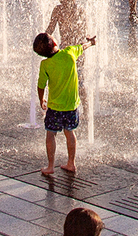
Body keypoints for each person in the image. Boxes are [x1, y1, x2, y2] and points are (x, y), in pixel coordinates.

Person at [35, 31, 94, 178]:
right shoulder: (69, 53)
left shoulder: (45, 64)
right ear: (55, 43)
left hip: (54, 107)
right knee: (70, 133)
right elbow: (82, 46)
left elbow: (41, 85)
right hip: (71, 106)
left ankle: (50, 166)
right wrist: (91, 43)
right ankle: (71, 163)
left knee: (50, 134)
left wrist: (42, 100)